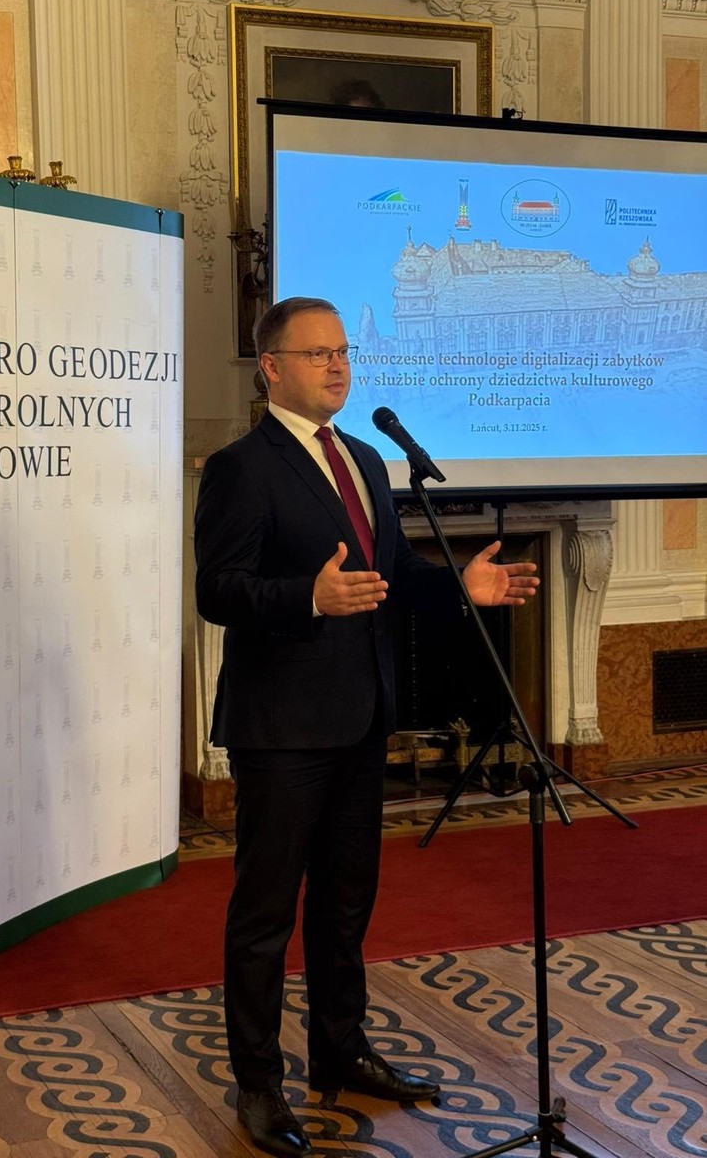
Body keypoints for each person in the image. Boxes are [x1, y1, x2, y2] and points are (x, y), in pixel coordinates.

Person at [194, 297, 539, 1158]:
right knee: (265, 913)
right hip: (282, 725)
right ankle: (259, 1083)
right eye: (317, 354)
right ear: (272, 368)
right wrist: (307, 597)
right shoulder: (243, 467)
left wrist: (463, 587)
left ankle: (339, 1050)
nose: (338, 366)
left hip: (361, 715)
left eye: (343, 351)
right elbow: (217, 590)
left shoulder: (366, 457)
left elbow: (392, 574)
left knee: (346, 903)